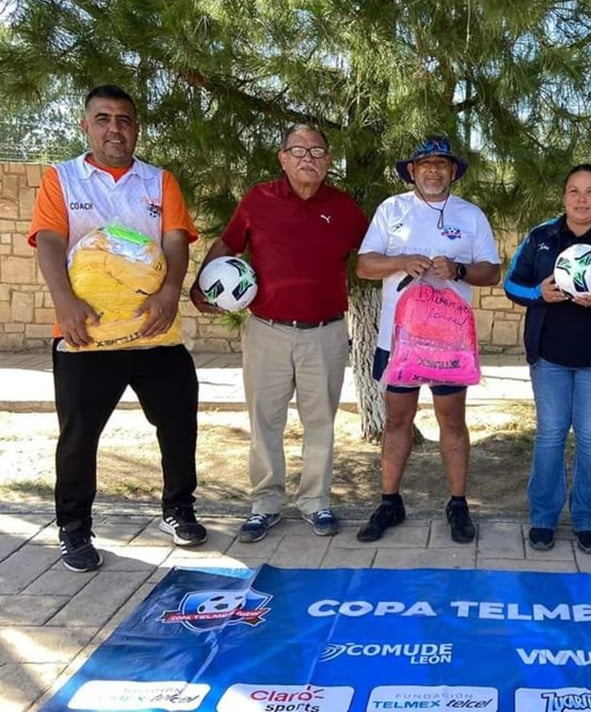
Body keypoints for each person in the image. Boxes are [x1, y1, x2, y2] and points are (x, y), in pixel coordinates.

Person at [28, 84, 207, 572]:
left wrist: (171, 290)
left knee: (177, 422)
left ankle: (179, 509)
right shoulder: (61, 178)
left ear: (136, 129)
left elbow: (175, 239)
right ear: (85, 125)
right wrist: (64, 305)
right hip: (87, 334)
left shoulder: (158, 181)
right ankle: (74, 530)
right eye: (103, 118)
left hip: (155, 331)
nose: (114, 128)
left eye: (124, 120)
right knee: (79, 435)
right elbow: (48, 242)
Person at [190, 124, 368, 543]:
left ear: (328, 161)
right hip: (266, 331)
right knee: (264, 419)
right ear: (282, 158)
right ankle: (265, 503)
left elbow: (373, 255)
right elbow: (227, 244)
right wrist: (201, 285)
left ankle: (315, 501)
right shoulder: (258, 199)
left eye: (317, 151)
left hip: (325, 333)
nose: (308, 158)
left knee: (320, 420)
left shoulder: (344, 208)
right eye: (298, 150)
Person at [355, 135, 501, 544]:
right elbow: (364, 265)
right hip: (398, 340)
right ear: (412, 171)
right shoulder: (391, 210)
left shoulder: (470, 215)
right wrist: (401, 261)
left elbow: (492, 272)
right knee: (397, 420)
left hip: (448, 344)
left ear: (453, 171)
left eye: (442, 164)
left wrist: (457, 270)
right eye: (425, 164)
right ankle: (389, 502)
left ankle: (457, 503)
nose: (434, 171)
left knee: (452, 421)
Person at [503, 165, 591, 554]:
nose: (582, 199)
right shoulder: (541, 236)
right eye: (574, 191)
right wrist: (539, 293)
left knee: (590, 438)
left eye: (590, 192)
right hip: (549, 357)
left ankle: (586, 520)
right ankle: (544, 519)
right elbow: (511, 284)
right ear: (564, 197)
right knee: (550, 436)